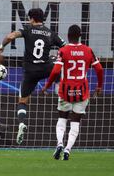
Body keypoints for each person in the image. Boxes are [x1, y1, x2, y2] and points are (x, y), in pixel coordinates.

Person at [0, 8, 66, 144]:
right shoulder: (50, 33)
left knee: (22, 101)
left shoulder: (27, 29)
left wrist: (1, 46)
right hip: (46, 67)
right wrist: (59, 57)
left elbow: (11, 36)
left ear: (32, 19)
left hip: (30, 72)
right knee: (58, 68)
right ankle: (60, 95)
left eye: (29, 18)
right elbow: (64, 46)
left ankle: (21, 123)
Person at [41, 25, 103, 160]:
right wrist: (99, 86)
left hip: (65, 91)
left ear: (68, 36)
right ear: (80, 35)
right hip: (82, 91)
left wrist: (47, 85)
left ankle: (59, 144)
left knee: (62, 118)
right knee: (76, 121)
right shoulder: (88, 50)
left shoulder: (63, 50)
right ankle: (68, 149)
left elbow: (56, 71)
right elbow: (99, 69)